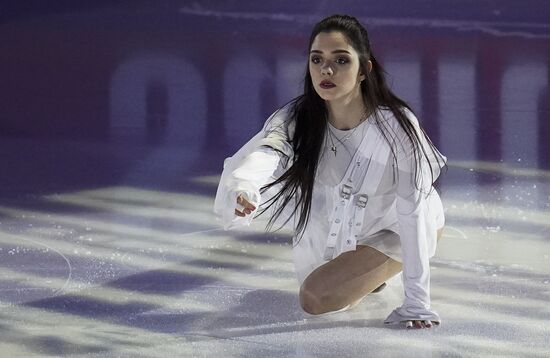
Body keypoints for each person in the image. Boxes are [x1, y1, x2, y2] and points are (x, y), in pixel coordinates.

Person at [214, 14, 447, 330]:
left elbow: (413, 210)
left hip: (401, 225)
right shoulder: (298, 118)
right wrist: (246, 185)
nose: (326, 70)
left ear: (364, 69)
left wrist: (417, 302)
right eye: (317, 59)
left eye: (341, 60)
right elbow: (267, 152)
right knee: (319, 290)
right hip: (345, 229)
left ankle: (377, 265)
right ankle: (366, 268)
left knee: (316, 298)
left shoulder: (395, 127)